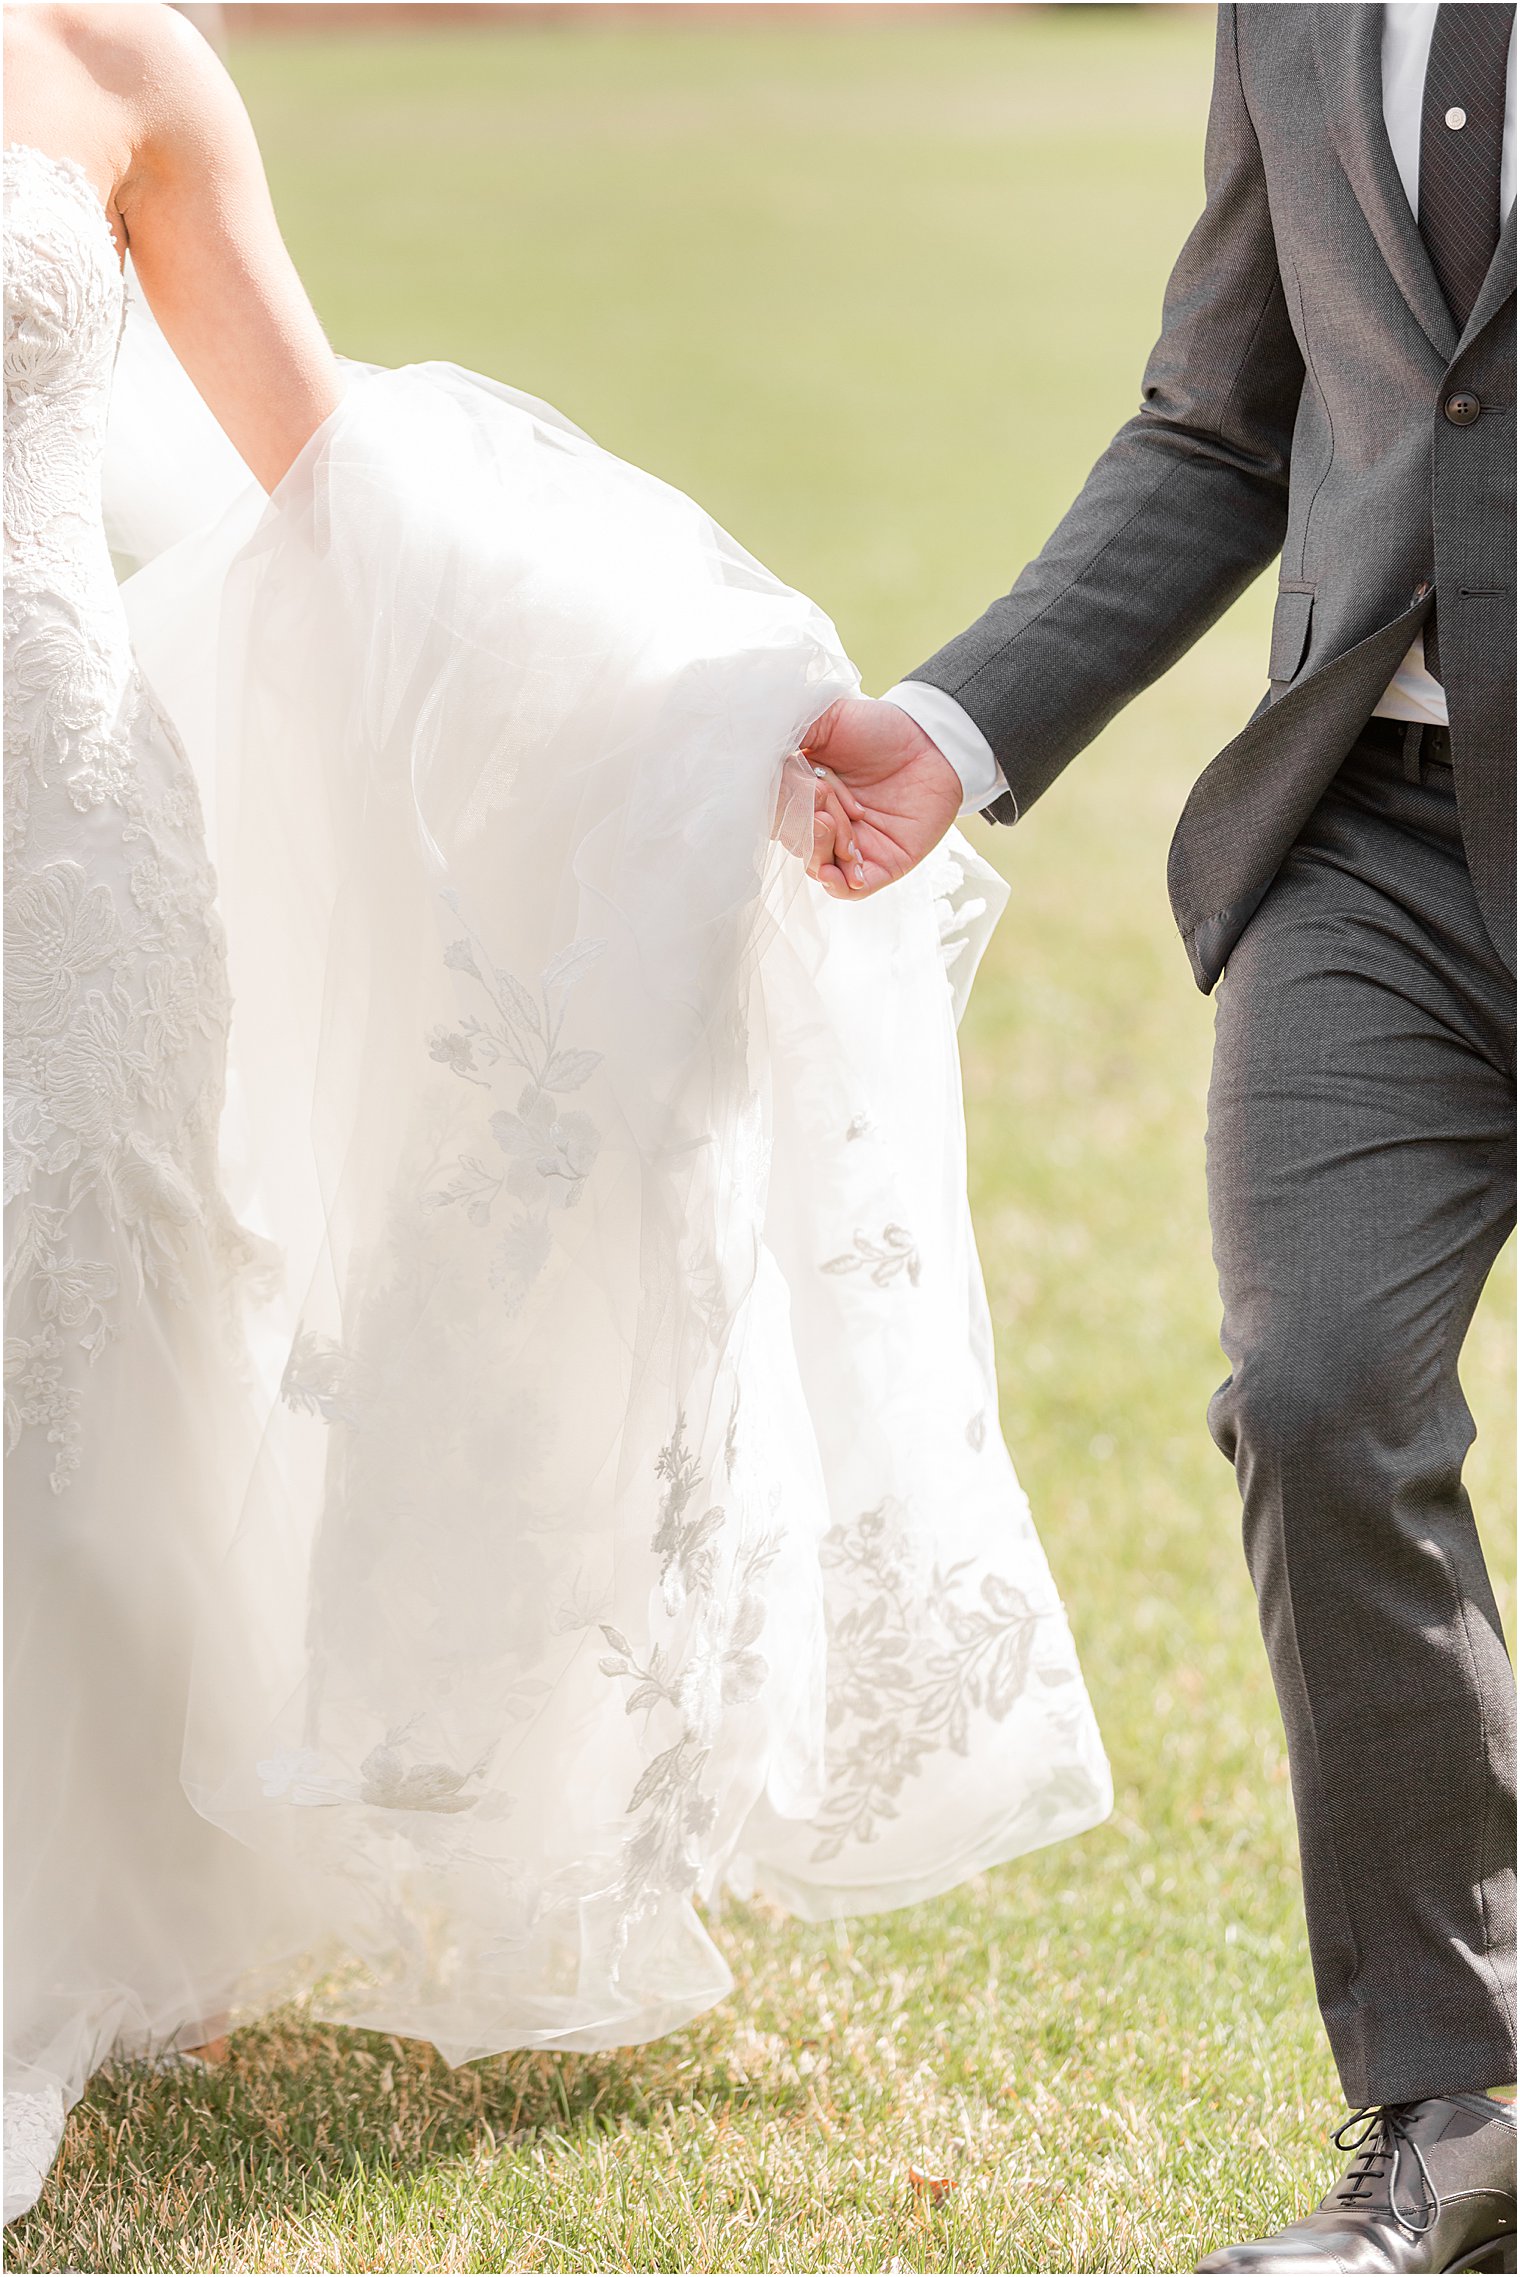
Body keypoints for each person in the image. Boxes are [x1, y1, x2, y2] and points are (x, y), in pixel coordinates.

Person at [2, 1, 1114, 2223]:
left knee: (78, 1392)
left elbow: (325, 463)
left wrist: (676, 702)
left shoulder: (119, 64)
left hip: (58, 845)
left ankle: (82, 1900)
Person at [807, 5, 1518, 2271]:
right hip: (1373, 841)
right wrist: (956, 719)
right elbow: (1222, 422)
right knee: (1315, 1387)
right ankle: (1460, 2104)